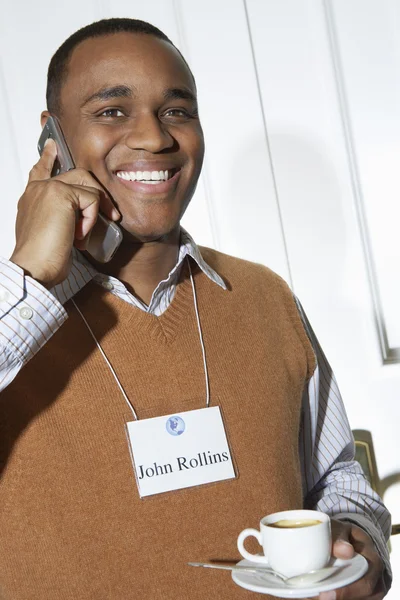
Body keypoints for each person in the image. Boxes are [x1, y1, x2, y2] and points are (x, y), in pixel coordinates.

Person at [0, 18, 391, 600]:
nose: (155, 139)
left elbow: (339, 478)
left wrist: (359, 547)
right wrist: (31, 273)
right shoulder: (15, 311)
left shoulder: (265, 296)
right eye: (112, 111)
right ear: (50, 138)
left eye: (176, 111)